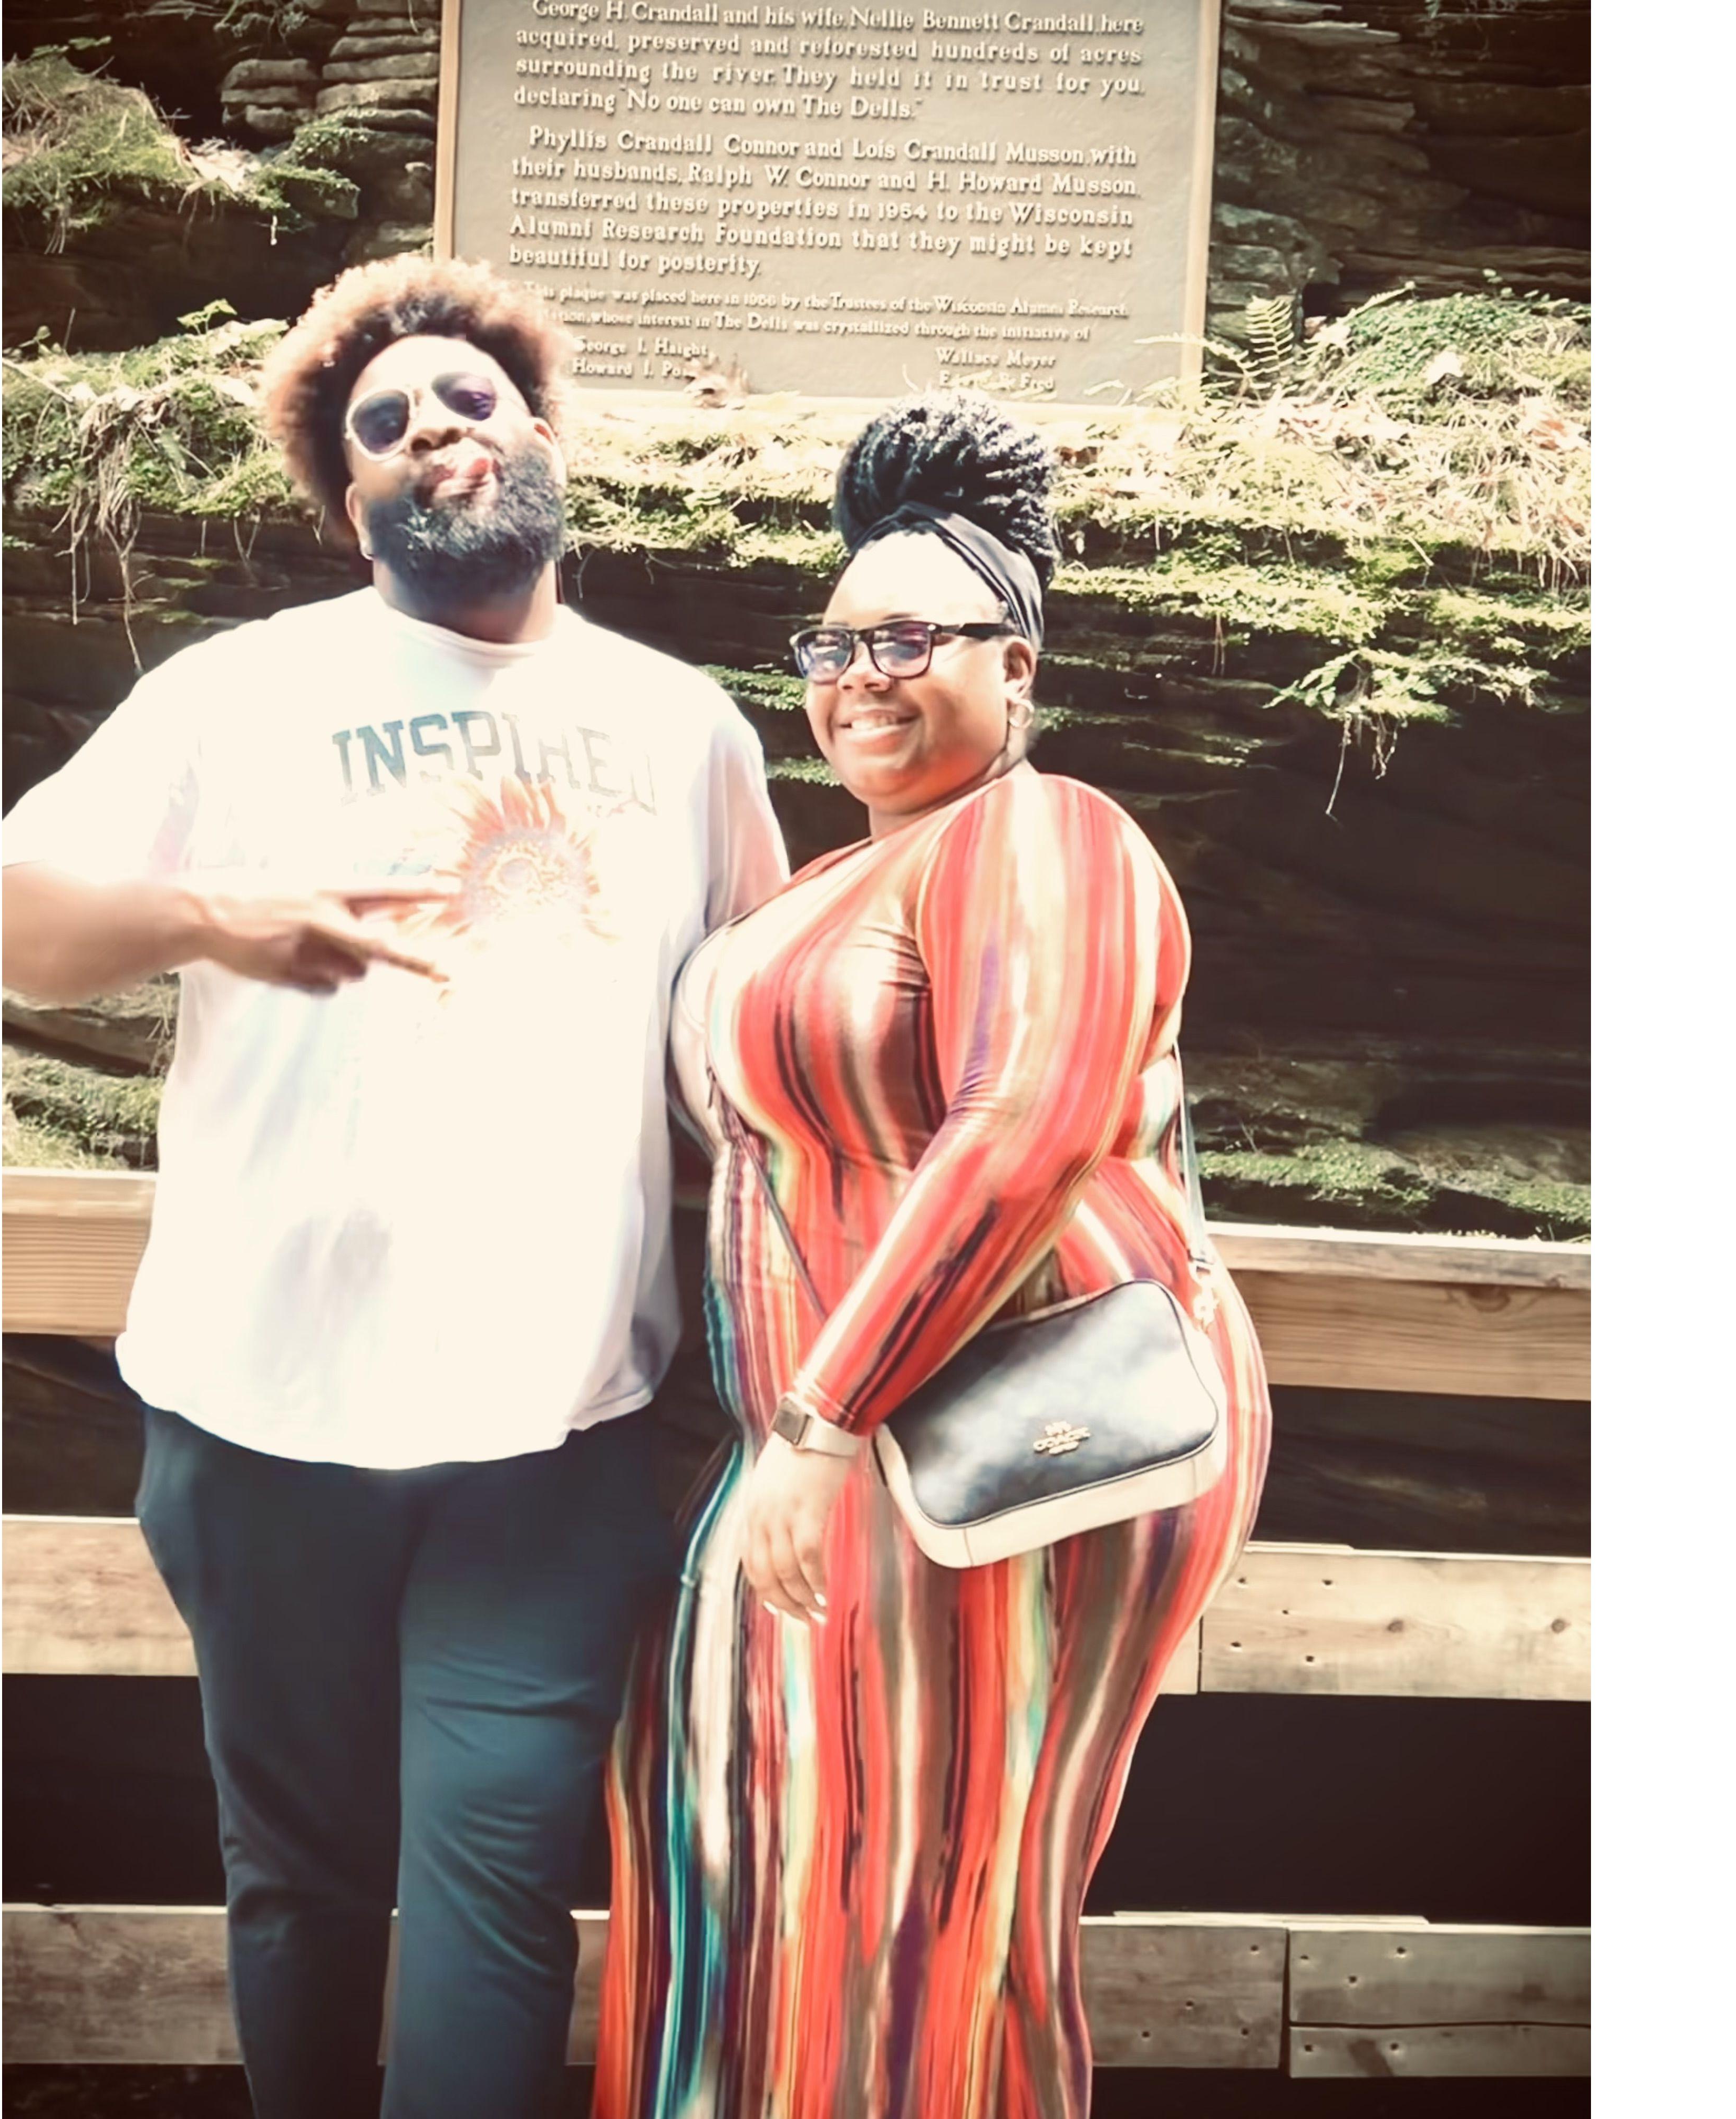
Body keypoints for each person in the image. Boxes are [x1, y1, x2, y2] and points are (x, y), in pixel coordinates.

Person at [1, 254, 788, 2119]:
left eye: (468, 398)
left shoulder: (686, 726)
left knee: (493, 1888)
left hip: (554, 1435)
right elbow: (5, 922)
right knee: (302, 1879)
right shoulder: (239, 691)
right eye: (384, 424)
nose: (433, 426)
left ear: (541, 438)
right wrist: (213, 918)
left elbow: (761, 1039)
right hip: (258, 1418)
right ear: (350, 505)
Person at [595, 393, 1273, 2119]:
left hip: (984, 1439)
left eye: (913, 640)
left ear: (1016, 665)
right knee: (770, 1846)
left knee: (905, 1883)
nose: (863, 677)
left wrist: (821, 1424)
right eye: (835, 645)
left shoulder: (1050, 835)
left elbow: (1025, 1124)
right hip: (837, 1444)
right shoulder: (832, 879)